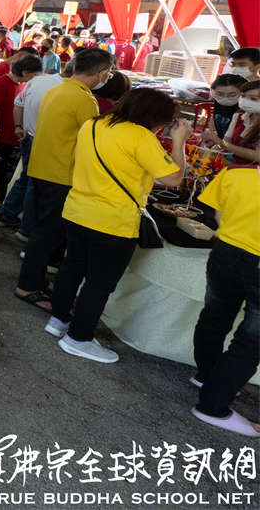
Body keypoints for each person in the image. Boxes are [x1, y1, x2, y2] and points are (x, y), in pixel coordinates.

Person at [46, 89, 187, 363]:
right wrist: (178, 141)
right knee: (99, 283)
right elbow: (174, 179)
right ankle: (78, 338)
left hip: (77, 210)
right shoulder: (141, 136)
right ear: (155, 117)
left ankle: (58, 320)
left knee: (72, 268)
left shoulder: (94, 124)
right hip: (113, 221)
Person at [14, 47, 114, 311]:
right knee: (48, 235)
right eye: (109, 73)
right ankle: (27, 286)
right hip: (60, 174)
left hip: (42, 168)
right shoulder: (84, 99)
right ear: (102, 73)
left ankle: (34, 279)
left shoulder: (58, 89)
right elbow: (93, 140)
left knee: (43, 232)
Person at [190, 163, 260, 436]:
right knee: (251, 341)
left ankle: (207, 376)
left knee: (214, 318)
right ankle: (213, 405)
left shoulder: (235, 173)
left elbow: (218, 213)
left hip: (225, 252)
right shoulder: (235, 172)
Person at [0, 61, 66, 235]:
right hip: (42, 140)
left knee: (26, 178)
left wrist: (18, 126)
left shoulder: (37, 82)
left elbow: (18, 104)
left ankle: (7, 214)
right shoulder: (62, 87)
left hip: (27, 136)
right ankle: (25, 228)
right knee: (35, 183)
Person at [0, 54, 42, 202]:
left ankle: (1, 201)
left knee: (9, 176)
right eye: (34, 75)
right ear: (24, 72)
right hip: (2, 138)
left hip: (16, 137)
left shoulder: (23, 85)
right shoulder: (1, 83)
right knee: (0, 174)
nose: (35, 78)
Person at [202, 79, 260, 163]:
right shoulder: (239, 116)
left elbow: (257, 156)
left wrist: (220, 142)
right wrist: (212, 148)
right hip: (234, 164)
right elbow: (225, 143)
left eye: (253, 99)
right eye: (243, 96)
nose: (246, 101)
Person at [206, 73, 246, 138]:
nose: (225, 98)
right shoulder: (219, 104)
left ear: (243, 94)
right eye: (220, 94)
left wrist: (215, 139)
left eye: (232, 95)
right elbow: (213, 122)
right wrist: (212, 133)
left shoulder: (245, 112)